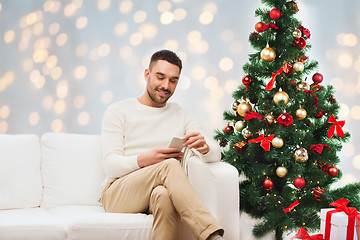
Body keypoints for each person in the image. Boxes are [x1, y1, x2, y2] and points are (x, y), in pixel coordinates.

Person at [100, 49, 225, 240]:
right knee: (169, 165)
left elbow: (216, 154)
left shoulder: (182, 114)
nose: (166, 85)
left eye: (173, 80)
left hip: (155, 193)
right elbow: (110, 165)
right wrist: (144, 160)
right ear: (147, 75)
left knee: (164, 196)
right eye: (160, 77)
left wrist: (205, 147)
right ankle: (211, 235)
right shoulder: (119, 111)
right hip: (118, 194)